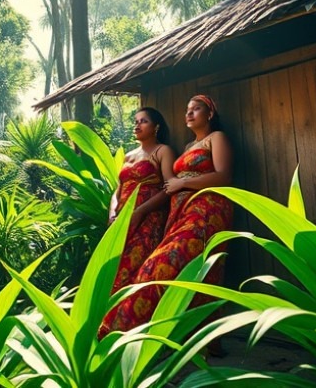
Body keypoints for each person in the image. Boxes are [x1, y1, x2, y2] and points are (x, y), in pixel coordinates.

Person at [99, 94, 233, 339]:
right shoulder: (187, 148)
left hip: (206, 210)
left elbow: (224, 176)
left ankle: (125, 327)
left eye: (196, 109)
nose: (189, 113)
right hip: (179, 213)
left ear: (210, 113)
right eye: (187, 109)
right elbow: (164, 183)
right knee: (189, 272)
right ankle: (180, 333)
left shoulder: (216, 138)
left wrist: (182, 183)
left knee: (160, 266)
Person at [107, 107, 176, 295]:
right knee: (112, 268)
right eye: (136, 121)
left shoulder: (163, 151)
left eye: (143, 121)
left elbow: (169, 187)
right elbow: (118, 190)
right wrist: (113, 212)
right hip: (122, 220)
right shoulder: (128, 156)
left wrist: (140, 211)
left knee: (135, 268)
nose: (137, 125)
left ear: (156, 127)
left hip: (148, 218)